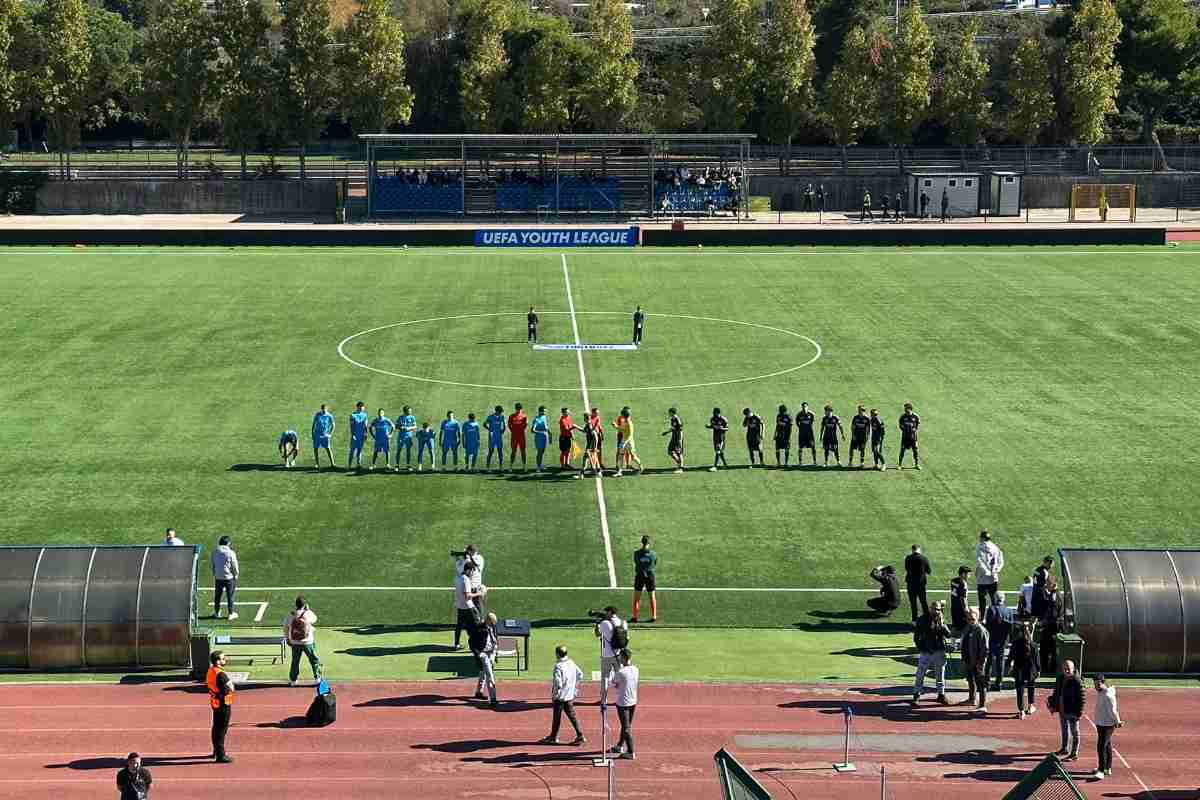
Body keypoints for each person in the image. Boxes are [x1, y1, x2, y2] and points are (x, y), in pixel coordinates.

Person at [541, 645, 586, 745]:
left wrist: (555, 694)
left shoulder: (558, 666)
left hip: (560, 697)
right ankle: (580, 735)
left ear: (557, 654)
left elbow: (558, 683)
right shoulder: (571, 662)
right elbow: (580, 674)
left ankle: (553, 737)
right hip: (569, 695)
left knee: (557, 718)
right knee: (572, 716)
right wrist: (574, 687)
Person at [912, 602, 952, 706]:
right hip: (926, 651)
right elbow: (916, 636)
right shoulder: (922, 619)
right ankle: (916, 695)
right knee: (920, 674)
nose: (936, 611)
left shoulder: (941, 619)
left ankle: (941, 694)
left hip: (939, 650)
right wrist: (921, 648)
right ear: (930, 609)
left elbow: (948, 635)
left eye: (938, 609)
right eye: (934, 609)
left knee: (940, 674)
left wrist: (942, 624)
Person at [1049, 659, 1085, 760]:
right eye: (1065, 669)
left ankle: (1074, 753)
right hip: (1062, 710)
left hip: (1072, 711)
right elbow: (1056, 693)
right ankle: (1064, 748)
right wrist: (1053, 705)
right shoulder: (1060, 678)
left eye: (1068, 669)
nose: (1067, 671)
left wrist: (1079, 713)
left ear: (1073, 669)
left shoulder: (1077, 681)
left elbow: (1082, 698)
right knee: (1064, 730)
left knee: (1075, 732)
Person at [283, 596, 322, 687]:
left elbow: (285, 627)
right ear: (304, 605)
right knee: (314, 660)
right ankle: (317, 679)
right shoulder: (308, 614)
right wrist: (308, 610)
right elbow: (315, 618)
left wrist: (287, 638)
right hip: (307, 642)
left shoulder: (291, 615)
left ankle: (293, 680)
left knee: (295, 661)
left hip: (295, 642)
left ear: (296, 605)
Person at [610, 649, 639, 760]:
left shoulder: (621, 672)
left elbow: (615, 682)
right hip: (633, 701)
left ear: (622, 658)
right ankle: (620, 745)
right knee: (626, 725)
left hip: (623, 702)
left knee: (626, 727)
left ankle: (631, 751)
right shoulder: (636, 669)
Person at [595, 606, 627, 706]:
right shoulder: (623, 623)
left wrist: (597, 624)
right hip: (618, 655)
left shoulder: (604, 623)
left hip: (606, 655)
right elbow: (627, 639)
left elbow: (597, 634)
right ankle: (622, 699)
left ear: (609, 612)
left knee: (605, 677)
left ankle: (604, 700)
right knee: (621, 678)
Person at [1007, 620, 1040, 719]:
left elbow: (1010, 657)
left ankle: (1021, 711)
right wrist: (1038, 670)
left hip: (1019, 669)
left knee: (1020, 690)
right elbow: (1037, 660)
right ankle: (1030, 706)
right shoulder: (1033, 645)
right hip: (1031, 670)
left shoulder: (1016, 643)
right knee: (1031, 687)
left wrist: (1009, 666)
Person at [206, 650, 235, 763]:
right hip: (223, 704)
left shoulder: (211, 671)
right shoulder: (221, 674)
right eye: (223, 658)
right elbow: (229, 688)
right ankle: (220, 755)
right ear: (217, 661)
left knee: (216, 728)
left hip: (215, 703)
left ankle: (216, 750)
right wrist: (230, 688)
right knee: (221, 730)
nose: (225, 660)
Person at [1092, 674, 1122, 779]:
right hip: (1100, 723)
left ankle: (1101, 770)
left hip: (1107, 725)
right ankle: (1107, 767)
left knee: (1101, 746)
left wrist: (1117, 721)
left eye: (1097, 684)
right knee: (1107, 745)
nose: (1095, 686)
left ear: (1102, 682)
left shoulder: (1108, 695)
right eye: (1094, 684)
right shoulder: (1101, 693)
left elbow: (1113, 710)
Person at [960, 607, 990, 712]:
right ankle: (972, 699)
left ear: (978, 618)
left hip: (977, 662)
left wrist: (981, 663)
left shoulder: (981, 630)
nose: (970, 621)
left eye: (972, 619)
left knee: (981, 683)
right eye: (968, 619)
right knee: (970, 680)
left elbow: (985, 649)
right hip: (968, 660)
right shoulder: (968, 628)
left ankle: (982, 705)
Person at [984, 592, 1014, 691]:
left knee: (989, 661)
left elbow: (987, 626)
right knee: (1000, 661)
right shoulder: (1009, 611)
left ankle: (987, 683)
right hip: (1003, 640)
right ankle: (999, 683)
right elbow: (1011, 628)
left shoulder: (991, 609)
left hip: (992, 639)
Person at [453, 559, 485, 650]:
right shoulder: (466, 580)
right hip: (469, 607)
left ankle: (456, 644)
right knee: (477, 624)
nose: (472, 574)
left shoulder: (457, 578)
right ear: (468, 570)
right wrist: (479, 594)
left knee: (459, 626)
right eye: (472, 571)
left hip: (460, 606)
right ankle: (479, 645)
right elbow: (468, 596)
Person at [471, 611, 499, 708]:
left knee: (483, 671)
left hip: (492, 652)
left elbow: (495, 638)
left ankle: (479, 692)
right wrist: (479, 654)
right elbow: (471, 643)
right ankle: (493, 698)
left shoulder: (493, 627)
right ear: (488, 621)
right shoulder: (479, 628)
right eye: (492, 623)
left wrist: (495, 652)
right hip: (484, 653)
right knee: (489, 674)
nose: (493, 625)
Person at [975, 529, 1005, 612]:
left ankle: (982, 618)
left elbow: (980, 561)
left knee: (982, 600)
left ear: (983, 538)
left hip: (982, 578)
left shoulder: (979, 546)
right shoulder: (995, 547)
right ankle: (995, 616)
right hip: (993, 578)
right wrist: (996, 570)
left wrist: (986, 571)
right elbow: (1001, 561)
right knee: (994, 599)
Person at [211, 535, 239, 620]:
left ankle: (216, 612)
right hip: (228, 577)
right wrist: (236, 574)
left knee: (217, 596)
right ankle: (231, 613)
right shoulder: (231, 553)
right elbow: (234, 565)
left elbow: (213, 564)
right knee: (230, 595)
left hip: (218, 577)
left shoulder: (215, 551)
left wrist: (215, 573)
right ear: (228, 543)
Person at [631, 535, 657, 623]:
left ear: (642, 542)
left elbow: (636, 562)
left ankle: (635, 617)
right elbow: (654, 563)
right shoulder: (653, 554)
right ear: (649, 543)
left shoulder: (637, 553)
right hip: (650, 576)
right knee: (652, 597)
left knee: (636, 598)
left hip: (640, 576)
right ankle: (654, 616)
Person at [1040, 576, 1061, 675]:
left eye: (1048, 583)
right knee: (1050, 649)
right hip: (1052, 626)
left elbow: (1053, 612)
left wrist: (1044, 621)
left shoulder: (1054, 595)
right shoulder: (1055, 594)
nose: (1046, 585)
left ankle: (1047, 669)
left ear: (1053, 584)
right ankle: (1049, 668)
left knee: (1047, 648)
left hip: (1051, 627)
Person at [904, 545, 931, 622]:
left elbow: (906, 568)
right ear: (919, 549)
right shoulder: (924, 558)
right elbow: (929, 571)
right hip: (921, 583)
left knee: (913, 603)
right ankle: (927, 619)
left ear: (912, 550)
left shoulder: (908, 558)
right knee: (923, 601)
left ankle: (914, 620)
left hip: (911, 583)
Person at [613, 406, 643, 476]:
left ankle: (640, 467)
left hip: (629, 442)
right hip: (624, 441)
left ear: (624, 415)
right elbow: (622, 430)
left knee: (633, 457)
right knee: (621, 455)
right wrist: (615, 426)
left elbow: (630, 435)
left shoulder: (629, 423)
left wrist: (624, 443)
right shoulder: (625, 422)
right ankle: (619, 472)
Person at [576, 411, 600, 479]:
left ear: (586, 418)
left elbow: (595, 435)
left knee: (591, 459)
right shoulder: (588, 424)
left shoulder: (589, 425)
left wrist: (594, 447)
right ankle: (582, 474)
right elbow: (584, 431)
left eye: (584, 417)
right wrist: (576, 427)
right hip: (590, 444)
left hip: (590, 445)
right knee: (586, 459)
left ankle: (596, 472)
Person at [311, 403, 335, 470]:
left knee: (328, 449)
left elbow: (333, 425)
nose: (323, 410)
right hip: (317, 435)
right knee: (315, 449)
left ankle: (332, 463)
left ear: (327, 409)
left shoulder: (329, 416)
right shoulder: (317, 415)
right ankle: (317, 464)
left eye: (325, 409)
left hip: (325, 436)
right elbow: (313, 424)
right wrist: (312, 434)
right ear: (321, 409)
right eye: (322, 409)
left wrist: (330, 434)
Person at [897, 402, 920, 469]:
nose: (905, 410)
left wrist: (914, 430)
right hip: (905, 437)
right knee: (902, 450)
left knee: (915, 450)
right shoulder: (903, 417)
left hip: (913, 437)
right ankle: (899, 465)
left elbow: (917, 425)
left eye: (906, 408)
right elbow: (900, 425)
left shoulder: (915, 416)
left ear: (910, 409)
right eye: (905, 409)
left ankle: (917, 464)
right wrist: (904, 430)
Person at [347, 401, 369, 470]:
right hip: (355, 436)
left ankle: (358, 464)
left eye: (363, 408)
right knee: (352, 451)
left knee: (360, 450)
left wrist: (366, 434)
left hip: (361, 436)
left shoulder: (365, 415)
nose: (362, 409)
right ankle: (349, 466)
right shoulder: (352, 415)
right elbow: (351, 426)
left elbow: (365, 426)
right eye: (361, 407)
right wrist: (353, 435)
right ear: (358, 407)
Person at [394, 406, 417, 470]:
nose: (410, 412)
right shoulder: (400, 417)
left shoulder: (412, 417)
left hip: (409, 437)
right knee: (399, 450)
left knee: (408, 451)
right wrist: (400, 427)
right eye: (409, 411)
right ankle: (397, 465)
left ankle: (408, 465)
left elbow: (415, 426)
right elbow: (396, 426)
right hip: (401, 436)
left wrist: (409, 428)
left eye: (410, 410)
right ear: (405, 411)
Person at [662, 407, 684, 473]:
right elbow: (673, 428)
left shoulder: (677, 419)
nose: (668, 414)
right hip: (673, 437)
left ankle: (680, 468)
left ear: (672, 412)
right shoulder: (672, 419)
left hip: (678, 437)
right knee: (670, 451)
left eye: (669, 412)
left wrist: (679, 440)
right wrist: (666, 432)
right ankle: (678, 463)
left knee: (679, 452)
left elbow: (680, 429)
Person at [484, 405, 506, 472]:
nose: (501, 413)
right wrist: (489, 429)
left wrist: (503, 430)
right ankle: (487, 468)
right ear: (497, 411)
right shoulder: (490, 417)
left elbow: (504, 425)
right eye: (500, 412)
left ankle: (501, 467)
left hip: (499, 436)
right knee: (491, 451)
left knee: (500, 451)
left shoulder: (502, 417)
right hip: (492, 436)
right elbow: (484, 424)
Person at [950, 565, 971, 631]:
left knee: (955, 625)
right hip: (960, 608)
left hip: (954, 606)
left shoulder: (953, 580)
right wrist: (966, 609)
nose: (969, 576)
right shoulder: (963, 584)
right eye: (968, 574)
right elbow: (963, 598)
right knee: (963, 627)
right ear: (963, 574)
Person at [508, 403, 529, 471]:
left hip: (521, 436)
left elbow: (526, 424)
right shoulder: (511, 416)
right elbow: (509, 425)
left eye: (519, 409)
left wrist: (521, 430)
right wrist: (513, 431)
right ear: (515, 408)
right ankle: (511, 466)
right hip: (514, 436)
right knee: (513, 451)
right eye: (517, 409)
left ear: (521, 409)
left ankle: (524, 466)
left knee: (523, 451)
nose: (518, 410)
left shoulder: (524, 416)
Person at [532, 406, 551, 473]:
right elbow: (532, 430)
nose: (545, 412)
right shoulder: (536, 420)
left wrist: (549, 433)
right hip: (539, 438)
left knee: (542, 452)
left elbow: (546, 427)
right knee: (539, 452)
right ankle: (538, 467)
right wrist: (541, 432)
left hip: (544, 437)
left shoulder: (544, 417)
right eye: (544, 411)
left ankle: (541, 465)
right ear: (540, 411)